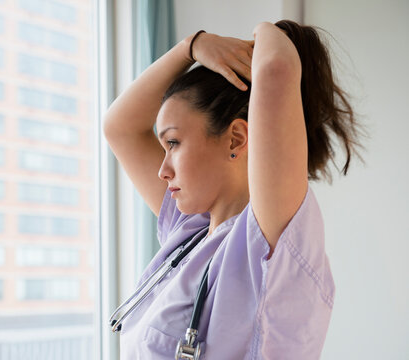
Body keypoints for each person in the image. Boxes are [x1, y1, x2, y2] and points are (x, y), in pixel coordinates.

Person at [104, 20, 361, 359]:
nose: (162, 170)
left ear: (237, 139)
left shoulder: (268, 243)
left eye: (174, 142)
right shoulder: (190, 233)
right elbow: (119, 128)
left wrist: (264, 33)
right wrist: (191, 46)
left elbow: (277, 67)